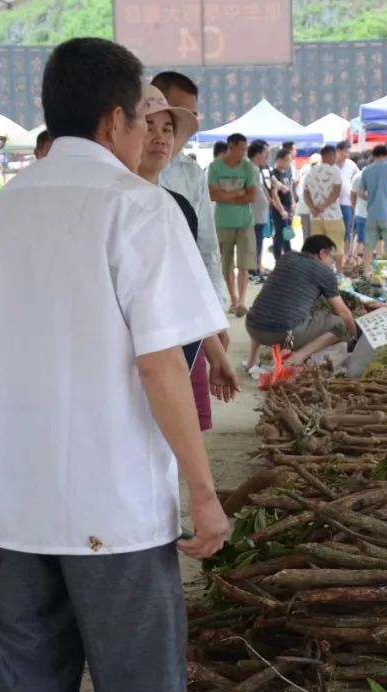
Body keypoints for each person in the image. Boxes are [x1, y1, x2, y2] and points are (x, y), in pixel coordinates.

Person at [0, 38, 229, 692]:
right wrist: (204, 489)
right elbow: (159, 363)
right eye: (142, 119)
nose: (147, 136)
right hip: (117, 514)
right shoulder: (138, 206)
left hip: (12, 508)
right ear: (112, 121)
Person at [136, 82, 239, 430]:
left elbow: (186, 282)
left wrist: (214, 349)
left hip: (180, 344)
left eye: (168, 129)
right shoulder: (110, 206)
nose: (160, 137)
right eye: (148, 126)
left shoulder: (176, 204)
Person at [153, 71, 229, 315]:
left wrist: (215, 307)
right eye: (175, 114)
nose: (179, 125)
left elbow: (207, 248)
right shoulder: (121, 172)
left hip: (185, 305)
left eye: (192, 116)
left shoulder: (192, 173)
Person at [246, 234, 356, 366]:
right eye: (332, 258)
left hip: (252, 327)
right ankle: (298, 357)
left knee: (268, 305)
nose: (333, 262)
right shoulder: (324, 272)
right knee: (340, 324)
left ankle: (252, 360)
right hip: (283, 334)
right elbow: (342, 313)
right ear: (322, 253)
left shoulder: (286, 258)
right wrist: (354, 337)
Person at [208, 132, 257, 317]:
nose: (244, 153)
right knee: (226, 263)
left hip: (245, 222)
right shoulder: (215, 167)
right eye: (241, 149)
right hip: (222, 222)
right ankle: (234, 299)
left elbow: (252, 196)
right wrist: (238, 194)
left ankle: (242, 301)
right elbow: (212, 195)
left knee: (244, 262)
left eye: (245, 149)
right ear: (231, 147)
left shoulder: (248, 167)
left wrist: (226, 196)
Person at [359, 144, 387, 280]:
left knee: (369, 245)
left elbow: (360, 193)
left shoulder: (366, 170)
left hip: (372, 213)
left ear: (373, 155)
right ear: (386, 155)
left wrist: (371, 197)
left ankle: (366, 273)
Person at [303, 144, 345, 249]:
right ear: (331, 156)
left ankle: (319, 266)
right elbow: (336, 192)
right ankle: (338, 266)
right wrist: (324, 206)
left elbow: (305, 193)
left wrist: (313, 207)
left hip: (316, 216)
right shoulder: (335, 170)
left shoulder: (311, 171)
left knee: (318, 248)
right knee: (337, 246)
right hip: (333, 215)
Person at [248, 142, 272, 278]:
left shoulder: (255, 169)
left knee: (258, 241)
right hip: (254, 215)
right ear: (258, 154)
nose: (267, 156)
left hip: (259, 214)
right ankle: (254, 269)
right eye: (265, 153)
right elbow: (256, 192)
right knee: (255, 242)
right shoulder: (250, 169)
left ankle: (257, 266)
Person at [269, 148, 295, 263]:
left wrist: (293, 203)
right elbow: (274, 195)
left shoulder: (288, 172)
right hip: (279, 207)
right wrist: (281, 210)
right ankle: (278, 258)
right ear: (279, 160)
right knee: (279, 233)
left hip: (288, 206)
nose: (288, 163)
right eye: (286, 160)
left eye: (289, 161)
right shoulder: (274, 174)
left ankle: (288, 256)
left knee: (287, 233)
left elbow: (291, 188)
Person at [336, 140, 359, 251]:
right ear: (338, 151)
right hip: (332, 205)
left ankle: (345, 255)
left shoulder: (351, 164)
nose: (347, 154)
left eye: (348, 152)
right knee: (335, 231)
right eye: (345, 152)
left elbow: (358, 177)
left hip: (347, 203)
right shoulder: (330, 164)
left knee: (346, 231)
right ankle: (335, 254)